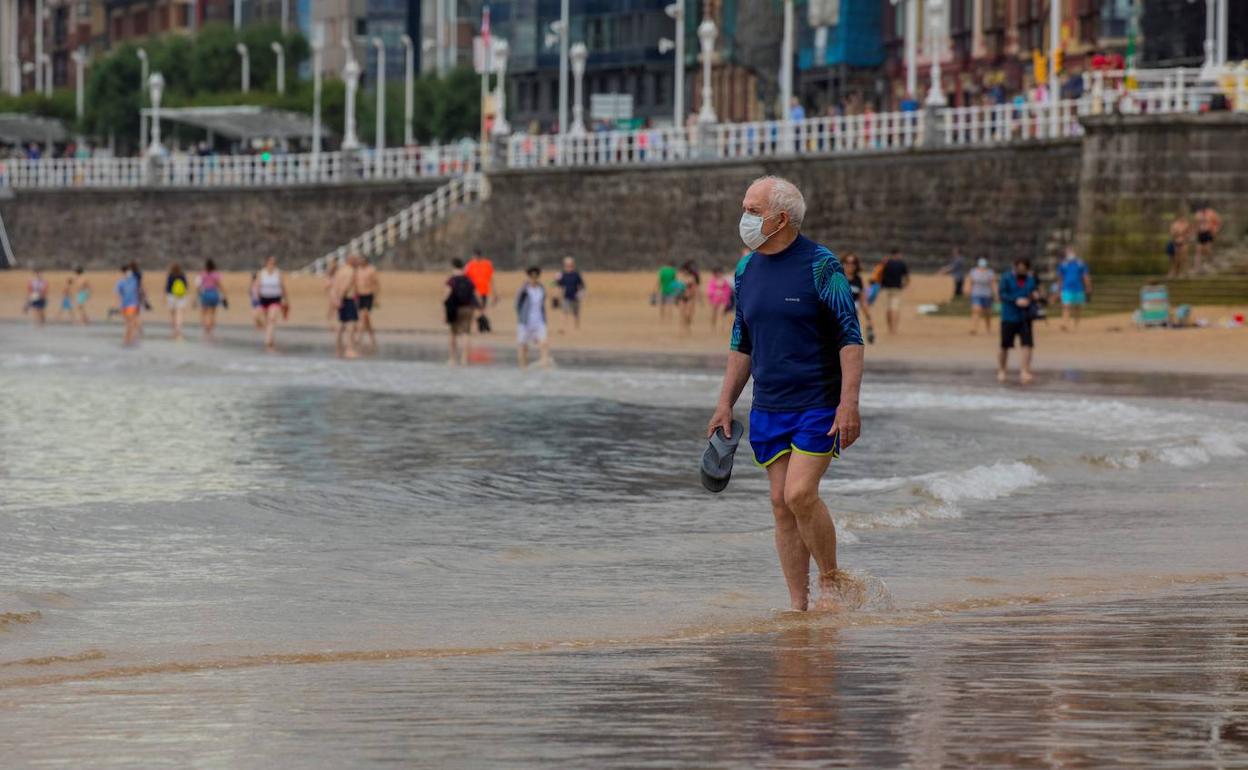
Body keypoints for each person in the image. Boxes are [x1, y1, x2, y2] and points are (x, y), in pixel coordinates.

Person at [706, 176, 865, 613]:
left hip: (818, 403)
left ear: (781, 218)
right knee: (779, 505)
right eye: (745, 208)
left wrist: (848, 403)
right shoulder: (745, 269)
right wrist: (725, 404)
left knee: (798, 495)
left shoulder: (821, 264)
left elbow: (850, 338)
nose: (745, 218)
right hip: (769, 405)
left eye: (753, 210)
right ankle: (799, 606)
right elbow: (742, 341)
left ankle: (831, 580)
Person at [998, 257, 1038, 385]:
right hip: (1009, 316)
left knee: (1027, 344)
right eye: (1019, 268)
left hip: (1025, 317)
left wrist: (1033, 297)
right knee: (1005, 345)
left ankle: (1025, 370)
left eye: (1024, 269)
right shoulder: (1006, 278)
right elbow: (1002, 294)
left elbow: (1033, 292)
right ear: (1014, 267)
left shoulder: (1030, 279)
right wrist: (1016, 300)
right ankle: (1002, 370)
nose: (1022, 270)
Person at [515, 266, 552, 368]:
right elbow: (517, 304)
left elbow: (542, 304)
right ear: (528, 277)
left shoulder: (541, 289)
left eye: (535, 276)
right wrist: (521, 317)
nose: (533, 279)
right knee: (523, 346)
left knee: (544, 344)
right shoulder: (524, 289)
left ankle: (545, 367)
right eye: (531, 276)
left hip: (539, 321)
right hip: (525, 321)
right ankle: (523, 368)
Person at [444, 258, 477, 366]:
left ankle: (453, 359)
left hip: (454, 308)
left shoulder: (451, 280)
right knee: (466, 334)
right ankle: (464, 359)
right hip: (468, 308)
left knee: (453, 333)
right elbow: (475, 294)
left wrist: (444, 308)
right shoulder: (468, 279)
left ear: (453, 266)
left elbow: (447, 295)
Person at [330, 254, 360, 359]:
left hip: (339, 298)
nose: (357, 262)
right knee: (350, 324)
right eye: (356, 260)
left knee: (341, 323)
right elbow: (346, 286)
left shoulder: (340, 271)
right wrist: (341, 298)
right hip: (347, 299)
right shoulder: (351, 271)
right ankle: (349, 349)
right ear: (350, 260)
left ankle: (338, 349)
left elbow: (333, 286)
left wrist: (335, 298)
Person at [255, 256, 288, 353]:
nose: (272, 265)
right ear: (267, 263)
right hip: (264, 299)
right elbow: (257, 286)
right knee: (266, 320)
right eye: (270, 263)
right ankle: (270, 337)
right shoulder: (262, 273)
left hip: (275, 299)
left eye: (274, 263)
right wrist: (257, 298)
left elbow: (282, 287)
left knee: (272, 319)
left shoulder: (278, 274)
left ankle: (268, 341)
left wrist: (286, 299)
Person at [840, 252, 874, 344]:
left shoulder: (858, 280)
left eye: (853, 263)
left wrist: (869, 318)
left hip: (853, 316)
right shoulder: (837, 278)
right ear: (843, 263)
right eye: (847, 262)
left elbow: (863, 301)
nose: (850, 265)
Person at [1056, 246, 1092, 331]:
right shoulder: (1062, 264)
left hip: (1078, 288)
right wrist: (1058, 289)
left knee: (1078, 307)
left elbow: (1085, 276)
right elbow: (1060, 278)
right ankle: (1065, 323)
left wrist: (1088, 287)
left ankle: (1077, 322)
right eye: (1067, 252)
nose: (1069, 254)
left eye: (1070, 252)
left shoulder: (1081, 263)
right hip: (1066, 288)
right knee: (1066, 306)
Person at [877, 248, 909, 334]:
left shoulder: (886, 263)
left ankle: (889, 328)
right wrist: (904, 285)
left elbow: (879, 274)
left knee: (888, 309)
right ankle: (894, 328)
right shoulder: (902, 264)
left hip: (886, 288)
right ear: (898, 254)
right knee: (895, 308)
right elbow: (906, 278)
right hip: (897, 288)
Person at [464, 248, 496, 333]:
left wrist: (494, 292)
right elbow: (465, 278)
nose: (476, 258)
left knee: (482, 309)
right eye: (475, 256)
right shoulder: (469, 265)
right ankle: (480, 326)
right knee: (475, 310)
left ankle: (482, 326)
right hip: (473, 292)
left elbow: (491, 279)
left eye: (478, 256)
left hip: (483, 291)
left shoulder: (487, 264)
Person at [553, 256, 586, 333]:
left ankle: (576, 328)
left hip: (575, 297)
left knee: (576, 313)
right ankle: (563, 328)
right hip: (566, 297)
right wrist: (556, 293)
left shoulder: (576, 274)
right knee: (564, 312)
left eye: (570, 264)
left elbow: (582, 285)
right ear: (564, 264)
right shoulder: (562, 274)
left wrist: (580, 293)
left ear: (573, 264)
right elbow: (556, 284)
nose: (569, 265)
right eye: (567, 264)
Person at [196, 259, 227, 341]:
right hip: (214, 293)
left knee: (204, 313)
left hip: (205, 293)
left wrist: (197, 295)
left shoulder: (202, 274)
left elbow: (199, 286)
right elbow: (220, 285)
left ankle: (206, 327)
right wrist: (224, 294)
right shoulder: (216, 274)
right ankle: (210, 328)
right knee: (213, 313)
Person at [354, 254, 380, 351]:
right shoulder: (357, 270)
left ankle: (358, 338)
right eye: (360, 260)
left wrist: (376, 298)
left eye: (362, 260)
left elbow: (376, 284)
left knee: (364, 316)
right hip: (359, 295)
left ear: (366, 261)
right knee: (366, 319)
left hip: (369, 295)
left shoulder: (371, 269)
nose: (361, 261)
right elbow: (354, 284)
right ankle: (372, 338)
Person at [967, 257, 996, 335]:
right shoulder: (973, 271)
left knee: (987, 313)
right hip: (976, 294)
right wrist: (969, 291)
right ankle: (973, 328)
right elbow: (971, 282)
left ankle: (988, 328)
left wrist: (995, 294)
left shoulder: (990, 272)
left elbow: (993, 284)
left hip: (987, 295)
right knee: (976, 310)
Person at [115, 264, 141, 347]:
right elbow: (119, 294)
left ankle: (129, 340)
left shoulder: (134, 280)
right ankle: (128, 340)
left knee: (130, 323)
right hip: (125, 305)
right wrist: (119, 305)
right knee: (128, 323)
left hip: (132, 304)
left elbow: (137, 292)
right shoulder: (121, 282)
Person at [165, 262, 190, 341]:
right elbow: (186, 286)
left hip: (171, 296)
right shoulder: (182, 275)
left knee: (172, 315)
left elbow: (167, 287)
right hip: (181, 296)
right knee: (179, 314)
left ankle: (174, 331)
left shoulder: (170, 275)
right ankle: (179, 330)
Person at [705, 266, 733, 331]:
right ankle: (713, 326)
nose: (719, 274)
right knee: (713, 314)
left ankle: (721, 327)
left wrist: (723, 293)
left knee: (721, 313)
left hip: (723, 300)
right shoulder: (712, 281)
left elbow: (728, 290)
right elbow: (709, 290)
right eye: (717, 272)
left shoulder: (725, 281)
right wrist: (716, 292)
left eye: (720, 272)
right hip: (714, 300)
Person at [1194, 204, 1221, 273]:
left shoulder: (1211, 213)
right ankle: (1197, 267)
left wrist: (1215, 230)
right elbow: (1196, 224)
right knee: (1198, 250)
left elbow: (1218, 222)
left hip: (1208, 232)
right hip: (1200, 233)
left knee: (1207, 249)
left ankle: (1210, 262)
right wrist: (1195, 231)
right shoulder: (1198, 214)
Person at [1167, 214, 1192, 278]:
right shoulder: (1174, 225)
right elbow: (1172, 234)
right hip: (1176, 242)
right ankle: (1175, 272)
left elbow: (1189, 234)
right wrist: (1177, 234)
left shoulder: (1186, 224)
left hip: (1184, 242)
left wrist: (1184, 236)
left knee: (1184, 258)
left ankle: (1184, 272)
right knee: (1176, 258)